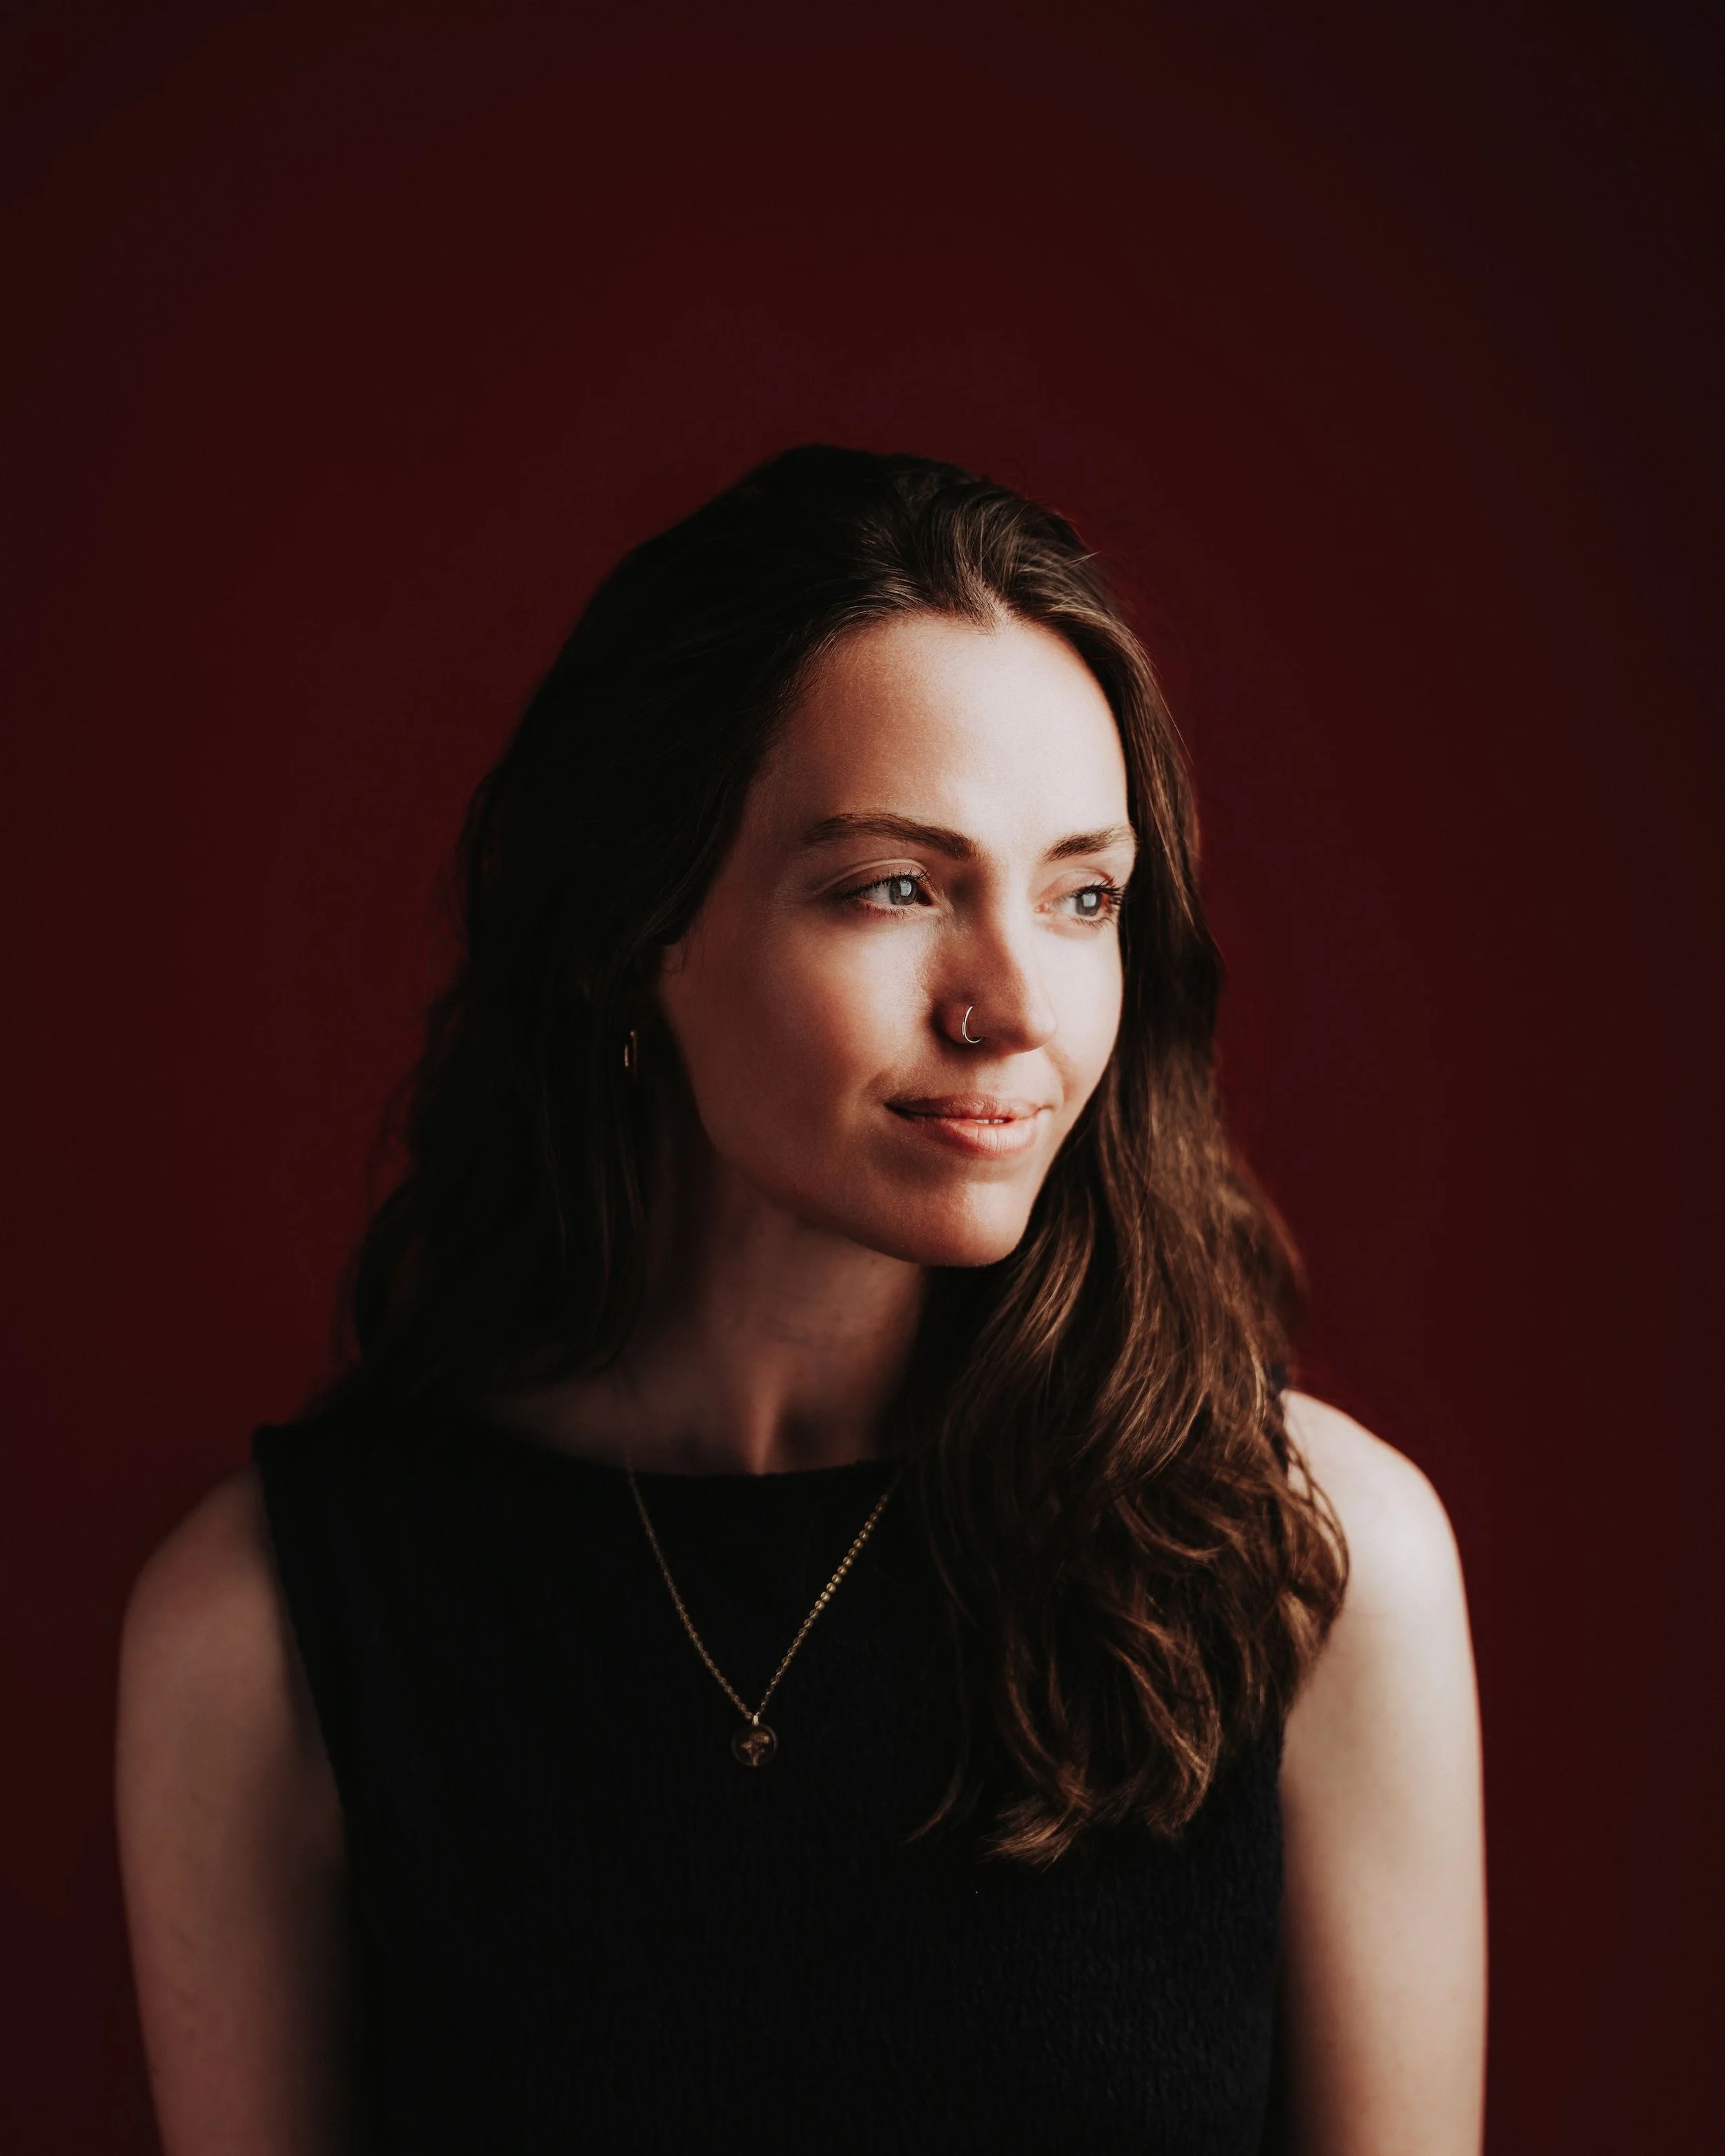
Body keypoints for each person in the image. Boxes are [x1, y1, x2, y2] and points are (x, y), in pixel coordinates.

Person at [115, 446, 1485, 2154]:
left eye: (1081, 895)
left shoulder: (1312, 1563)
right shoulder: (266, 1628)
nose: (1013, 1005)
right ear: (635, 938)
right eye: (891, 886)